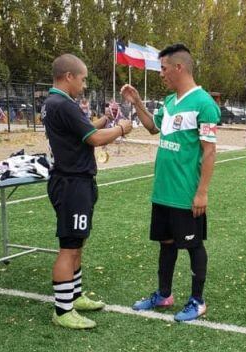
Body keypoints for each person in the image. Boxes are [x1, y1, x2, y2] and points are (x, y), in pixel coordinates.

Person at [121, 44, 219, 322]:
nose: (161, 74)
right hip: (162, 192)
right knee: (166, 243)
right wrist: (137, 103)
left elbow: (209, 150)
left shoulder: (204, 104)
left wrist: (202, 192)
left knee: (193, 245)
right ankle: (164, 294)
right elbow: (153, 127)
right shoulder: (169, 102)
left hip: (186, 193)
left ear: (179, 67)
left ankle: (197, 301)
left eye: (163, 68)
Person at [42, 54, 132, 329]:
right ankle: (62, 310)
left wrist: (105, 119)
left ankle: (75, 296)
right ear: (69, 76)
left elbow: (84, 131)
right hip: (71, 183)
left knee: (77, 243)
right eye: (82, 79)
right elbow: (93, 139)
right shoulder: (62, 104)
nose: (83, 85)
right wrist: (120, 128)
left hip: (74, 181)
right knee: (69, 247)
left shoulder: (56, 102)